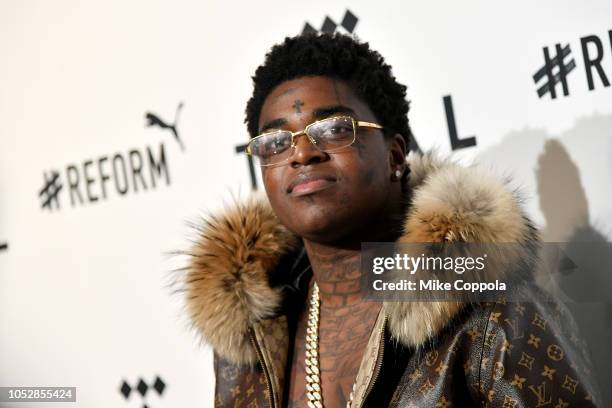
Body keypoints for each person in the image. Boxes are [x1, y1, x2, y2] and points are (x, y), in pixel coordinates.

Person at [181, 33, 600, 407]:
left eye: (333, 129)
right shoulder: (253, 337)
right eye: (275, 141)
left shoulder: (491, 308)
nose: (301, 153)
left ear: (395, 155)